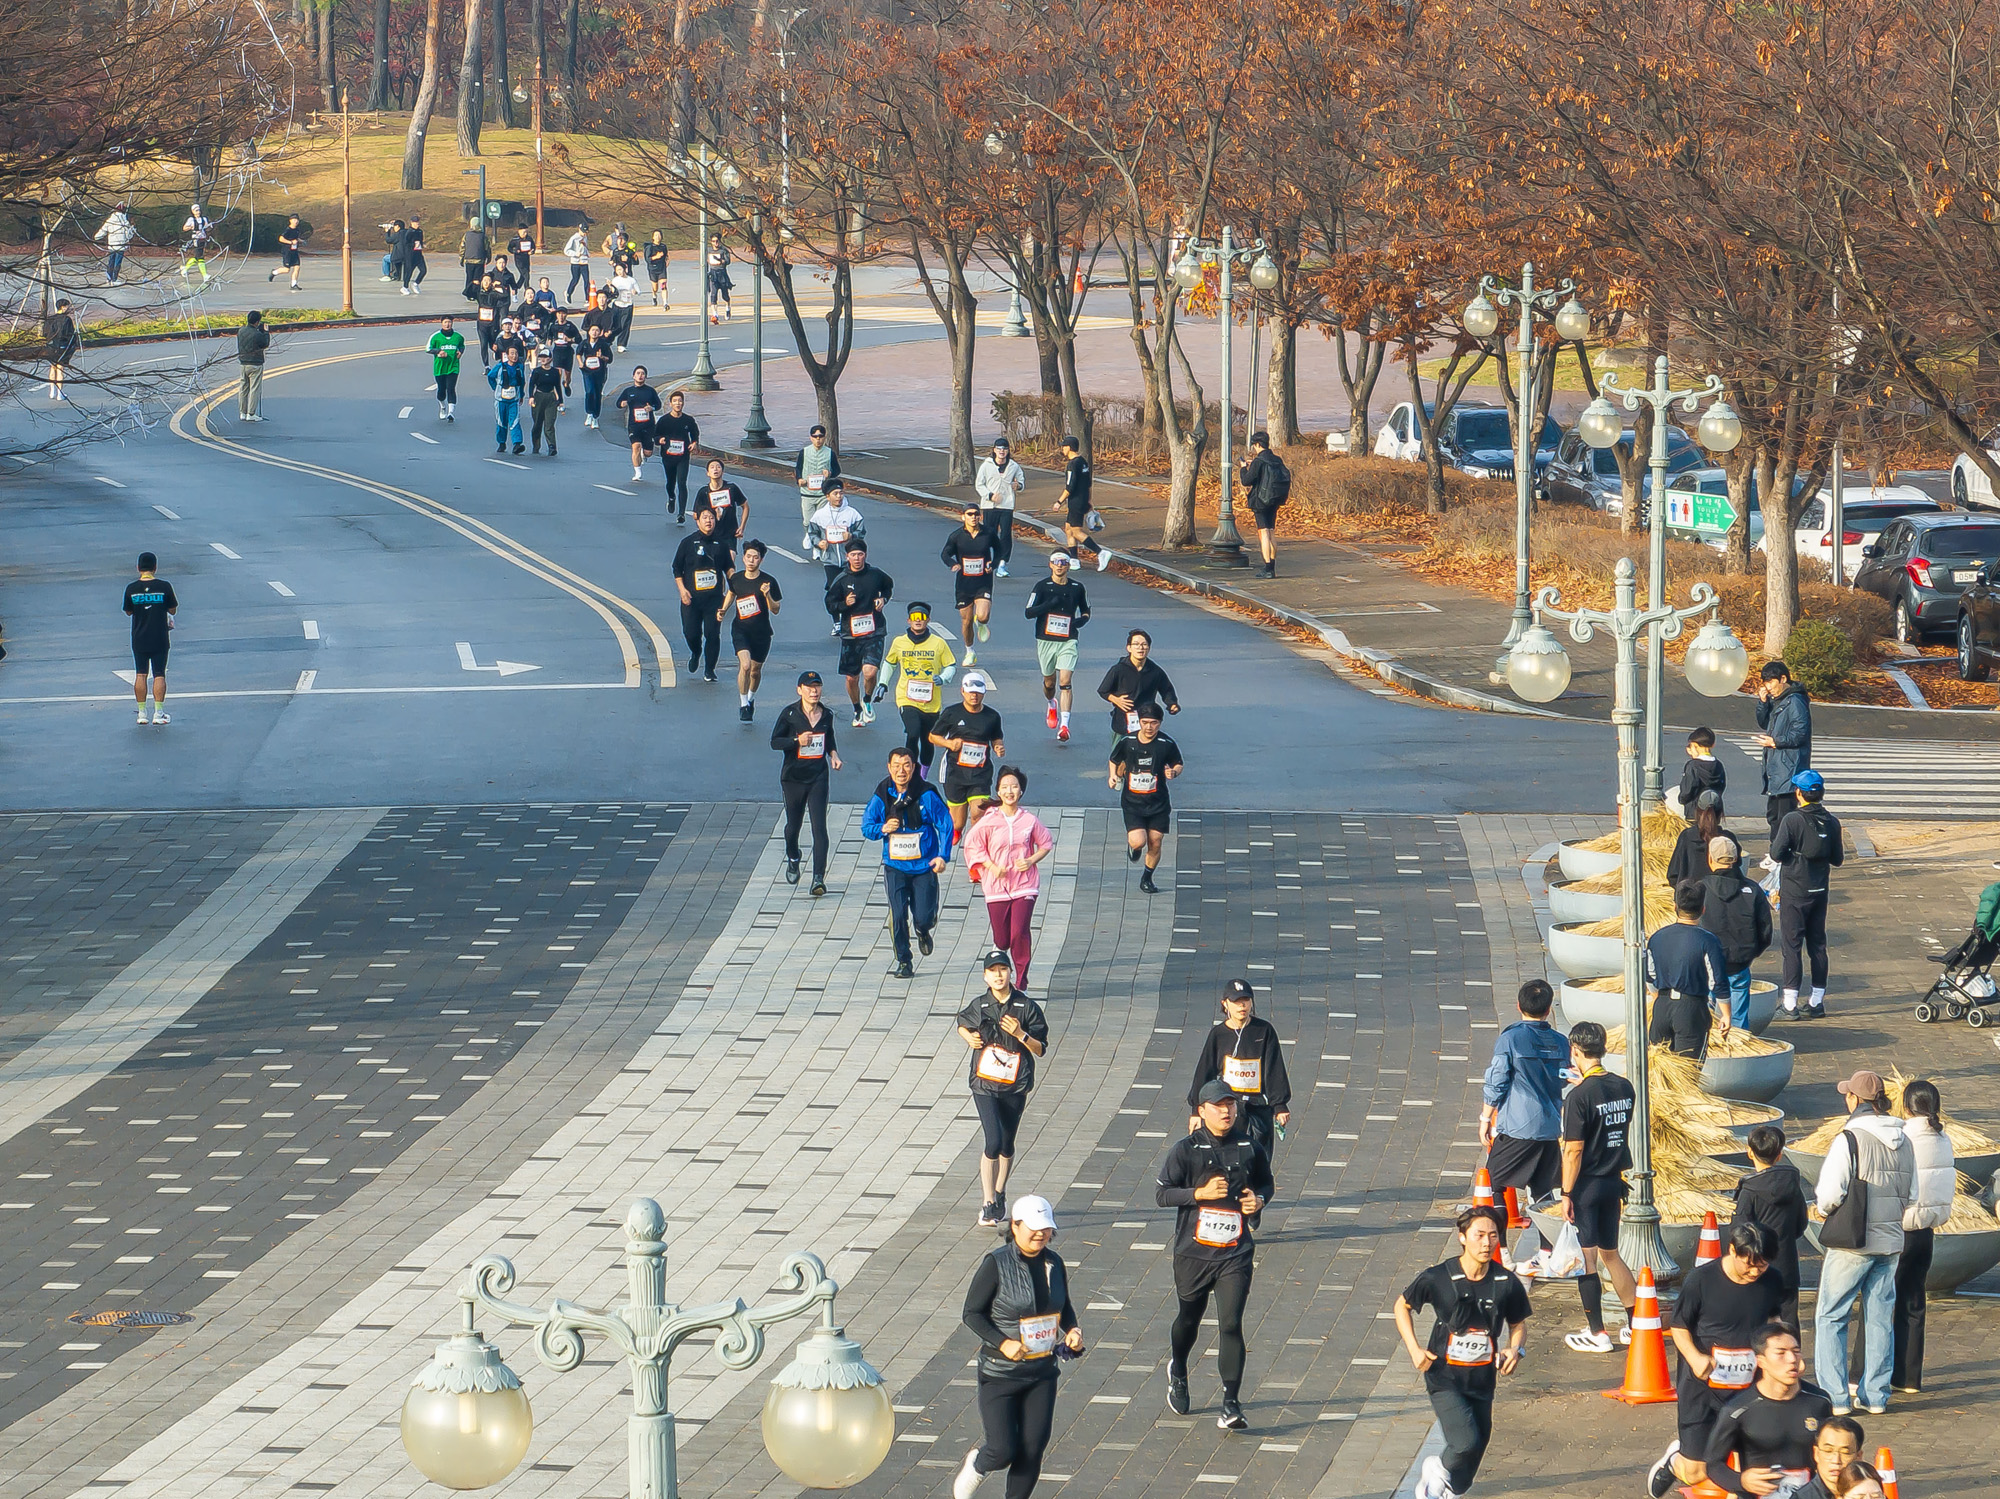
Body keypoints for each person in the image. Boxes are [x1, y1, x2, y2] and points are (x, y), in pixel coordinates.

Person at [1156, 1079, 1274, 1431]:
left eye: (1231, 1105)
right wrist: (1199, 1194)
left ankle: (1231, 1404)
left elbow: (1266, 1183)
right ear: (1202, 1111)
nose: (1226, 1111)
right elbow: (1162, 1195)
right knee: (1188, 1320)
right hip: (1193, 1255)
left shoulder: (1249, 1146)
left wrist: (1259, 1201)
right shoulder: (1185, 1150)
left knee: (1231, 1323)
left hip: (1235, 1253)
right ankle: (1179, 1369)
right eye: (1219, 1106)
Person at [953, 1194, 1084, 1499]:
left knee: (1032, 1449)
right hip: (1000, 1374)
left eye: (1046, 1228)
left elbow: (1062, 1306)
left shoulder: (1054, 1263)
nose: (1041, 1234)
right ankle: (978, 1464)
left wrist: (1072, 1330)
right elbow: (971, 1314)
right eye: (1034, 1228)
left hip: (1042, 1373)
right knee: (1002, 1450)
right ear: (1015, 1226)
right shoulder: (996, 1264)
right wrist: (1003, 1343)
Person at [1395, 1205, 1530, 1499]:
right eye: (1479, 1235)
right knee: (1464, 1441)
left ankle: (1447, 1487)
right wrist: (1414, 1349)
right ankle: (1434, 1473)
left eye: (1493, 1236)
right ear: (1462, 1237)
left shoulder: (1506, 1282)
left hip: (1482, 1380)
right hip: (1444, 1377)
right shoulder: (1439, 1277)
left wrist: (1514, 1349)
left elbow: (1518, 1323)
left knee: (1477, 1447)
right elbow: (1401, 1306)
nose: (1487, 1243)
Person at [1646, 1223, 1786, 1499]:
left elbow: (1773, 1318)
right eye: (1750, 1264)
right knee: (1697, 1472)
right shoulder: (1701, 1280)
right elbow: (1679, 1325)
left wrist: (1778, 1353)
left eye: (1762, 1265)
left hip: (1749, 1387)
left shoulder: (1772, 1280)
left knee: (1755, 1464)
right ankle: (1674, 1461)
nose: (1755, 1272)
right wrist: (1695, 1357)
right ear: (1732, 1250)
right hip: (1702, 1388)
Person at [1812, 1070, 1914, 1416]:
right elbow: (1913, 1194)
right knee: (1880, 1318)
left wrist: (1824, 1210)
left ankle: (1835, 1396)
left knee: (1832, 1316)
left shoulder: (1849, 1139)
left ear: (1855, 1099)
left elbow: (1830, 1194)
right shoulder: (1905, 1140)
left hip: (1852, 1243)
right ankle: (1875, 1396)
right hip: (1891, 1241)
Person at [1559, 1020, 1639, 1354]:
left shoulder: (1578, 1097)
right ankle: (1636, 1324)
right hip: (1613, 1182)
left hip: (1587, 1187)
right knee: (1612, 1254)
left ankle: (1597, 1332)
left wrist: (1566, 1193)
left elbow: (1573, 1151)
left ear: (1575, 1051)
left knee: (1587, 1259)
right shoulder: (1624, 1087)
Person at [958, 951, 1049, 1226]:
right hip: (984, 1083)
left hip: (1015, 1084)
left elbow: (1041, 1049)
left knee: (1007, 1144)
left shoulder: (1026, 1006)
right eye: (992, 971)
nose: (998, 975)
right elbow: (961, 1022)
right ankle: (988, 1203)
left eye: (1003, 969)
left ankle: (999, 1193)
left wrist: (1021, 1034)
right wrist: (969, 1037)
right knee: (993, 1141)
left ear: (1011, 973)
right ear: (985, 976)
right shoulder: (980, 1005)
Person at [1697, 1323, 1836, 1497]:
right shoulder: (1737, 1409)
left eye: (1796, 1351)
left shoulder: (1819, 1401)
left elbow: (1837, 1450)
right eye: (1781, 1353)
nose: (1792, 1359)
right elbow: (1713, 1465)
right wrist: (1741, 1481)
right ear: (1760, 1361)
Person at [1477, 978, 1569, 1218]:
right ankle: (1548, 1240)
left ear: (1518, 1005)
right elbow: (1562, 1079)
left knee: (1494, 1181)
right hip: (1549, 1128)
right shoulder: (1561, 1042)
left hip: (1517, 1127)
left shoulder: (1511, 1039)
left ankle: (1500, 1239)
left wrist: (1485, 1118)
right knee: (1542, 1190)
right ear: (1548, 1009)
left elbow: (1497, 1081)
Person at [862, 749, 955, 978]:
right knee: (897, 914)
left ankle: (923, 930)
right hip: (895, 867)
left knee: (923, 916)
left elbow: (945, 823)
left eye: (906, 765)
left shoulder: (926, 794)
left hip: (924, 867)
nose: (901, 771)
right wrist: (883, 828)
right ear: (889, 767)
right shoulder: (882, 794)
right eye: (896, 765)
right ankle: (904, 960)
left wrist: (943, 856)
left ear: (914, 768)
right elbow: (867, 826)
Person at [961, 767, 1051, 988]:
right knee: (1002, 939)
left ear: (1021, 791)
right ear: (999, 792)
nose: (1010, 791)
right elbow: (972, 845)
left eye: (1014, 787)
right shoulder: (989, 820)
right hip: (996, 887)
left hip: (1025, 884)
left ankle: (1021, 981)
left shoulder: (1029, 820)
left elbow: (1046, 843)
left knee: (1019, 932)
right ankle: (998, 959)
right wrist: (991, 866)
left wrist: (1031, 860)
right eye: (1005, 787)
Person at [1892, 1077, 1954, 1395]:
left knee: (1882, 1301)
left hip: (1899, 1230)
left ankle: (1870, 1374)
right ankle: (1909, 1378)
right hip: (1926, 1231)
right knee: (1914, 1303)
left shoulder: (1902, 1137)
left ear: (1905, 1106)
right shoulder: (1943, 1138)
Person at [1187, 979, 1292, 1159]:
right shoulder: (1218, 1035)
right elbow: (1205, 1071)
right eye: (1236, 1001)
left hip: (1258, 1107)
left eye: (1246, 1000)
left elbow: (1274, 1069)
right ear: (1225, 1004)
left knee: (1260, 1160)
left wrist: (1279, 1105)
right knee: (1227, 1157)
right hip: (1229, 1107)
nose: (1242, 1006)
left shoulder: (1264, 1030)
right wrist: (1197, 1110)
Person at [1771, 769, 1842, 1020]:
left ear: (1798, 793)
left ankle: (1790, 1004)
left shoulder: (1792, 820)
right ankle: (1816, 1001)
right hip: (1819, 890)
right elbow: (1838, 859)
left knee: (1791, 946)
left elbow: (1776, 853)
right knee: (1818, 945)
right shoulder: (1832, 821)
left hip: (1795, 890)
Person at [1733, 1124, 1810, 1333]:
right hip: (1787, 1264)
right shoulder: (1793, 1184)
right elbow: (1801, 1224)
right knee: (1788, 1323)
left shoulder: (1749, 1191)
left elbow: (1740, 1232)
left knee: (1756, 1325)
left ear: (1750, 1152)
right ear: (1780, 1155)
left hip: (1755, 1266)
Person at [770, 669, 841, 895]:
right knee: (793, 826)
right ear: (799, 690)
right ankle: (793, 856)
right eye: (809, 688)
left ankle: (818, 878)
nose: (814, 691)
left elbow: (829, 738)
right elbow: (775, 742)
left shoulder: (826, 714)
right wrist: (796, 740)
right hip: (793, 778)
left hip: (818, 776)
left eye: (817, 687)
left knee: (819, 827)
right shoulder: (789, 714)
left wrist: (833, 755)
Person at [1645, 880, 1730, 1059]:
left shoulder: (1656, 937)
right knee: (1689, 1069)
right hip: (1691, 1009)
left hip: (1662, 1007)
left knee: (1659, 1067)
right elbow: (1718, 981)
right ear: (1703, 909)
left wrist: (1658, 999)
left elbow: (1649, 976)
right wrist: (1726, 1014)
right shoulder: (1708, 940)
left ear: (1675, 907)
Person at [1109, 702, 1182, 895]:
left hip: (1158, 802)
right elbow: (1114, 759)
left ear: (1160, 723)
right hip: (1133, 803)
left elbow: (1178, 763)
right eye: (1145, 722)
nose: (1149, 727)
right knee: (1138, 841)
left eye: (1154, 723)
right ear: (1139, 722)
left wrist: (1173, 772)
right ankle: (1134, 848)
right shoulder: (1128, 741)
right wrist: (1113, 776)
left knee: (1156, 840)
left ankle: (1147, 878)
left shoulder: (1166, 743)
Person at [1703, 838, 1774, 1030]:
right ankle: (1737, 1042)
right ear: (1736, 859)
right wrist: (1749, 953)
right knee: (1738, 1021)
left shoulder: (1700, 889)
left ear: (1710, 858)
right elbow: (1765, 931)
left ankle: (1707, 1044)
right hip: (1740, 962)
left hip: (1707, 964)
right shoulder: (1753, 889)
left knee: (1704, 1019)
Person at [827, 539, 894, 725]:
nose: (857, 558)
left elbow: (888, 586)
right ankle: (857, 709)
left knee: (870, 672)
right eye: (853, 555)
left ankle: (867, 700)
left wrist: (883, 599)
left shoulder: (876, 574)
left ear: (865, 555)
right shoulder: (841, 579)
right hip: (851, 634)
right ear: (847, 556)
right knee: (852, 678)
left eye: (860, 554)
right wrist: (844, 604)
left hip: (874, 631)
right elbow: (830, 605)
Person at [1025, 553, 1090, 740]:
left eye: (1063, 563)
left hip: (1068, 640)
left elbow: (1086, 611)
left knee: (1065, 681)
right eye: (1056, 562)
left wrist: (1080, 621)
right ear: (1050, 565)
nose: (1059, 566)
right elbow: (1028, 612)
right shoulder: (1041, 586)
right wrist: (1048, 605)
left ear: (1068, 566)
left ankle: (1064, 726)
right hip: (1046, 640)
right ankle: (1051, 703)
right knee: (1049, 683)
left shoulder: (1078, 588)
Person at [932, 671, 1005, 834]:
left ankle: (976, 843)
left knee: (978, 813)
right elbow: (933, 736)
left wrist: (998, 747)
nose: (974, 696)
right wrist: (949, 743)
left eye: (978, 693)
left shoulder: (992, 716)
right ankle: (955, 832)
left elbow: (996, 738)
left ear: (983, 693)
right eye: (971, 692)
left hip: (980, 773)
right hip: (955, 772)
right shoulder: (952, 713)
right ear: (962, 691)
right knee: (957, 823)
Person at [884, 602, 953, 774]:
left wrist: (943, 678)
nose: (918, 620)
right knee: (913, 732)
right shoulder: (899, 642)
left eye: (922, 617)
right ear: (908, 620)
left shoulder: (938, 643)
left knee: (927, 738)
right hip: (906, 698)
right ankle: (911, 772)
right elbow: (890, 663)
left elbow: (950, 665)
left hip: (931, 701)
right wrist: (882, 683)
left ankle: (923, 775)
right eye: (914, 617)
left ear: (928, 620)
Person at [672, 505, 734, 680]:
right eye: (705, 518)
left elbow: (729, 568)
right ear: (698, 521)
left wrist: (736, 585)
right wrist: (682, 590)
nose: (709, 521)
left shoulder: (721, 544)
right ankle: (696, 651)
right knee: (690, 632)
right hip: (691, 599)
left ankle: (710, 670)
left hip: (714, 599)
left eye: (712, 518)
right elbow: (676, 568)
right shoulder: (687, 543)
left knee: (712, 634)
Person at [1755, 661, 1812, 844]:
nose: (1768, 687)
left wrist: (1775, 742)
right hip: (1777, 768)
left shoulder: (1795, 701)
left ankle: (1782, 853)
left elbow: (1800, 733)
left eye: (1771, 682)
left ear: (1783, 679)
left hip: (1789, 767)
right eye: (1765, 683)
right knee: (1774, 815)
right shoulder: (1778, 700)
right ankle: (1776, 851)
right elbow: (1765, 723)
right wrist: (1763, 703)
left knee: (1784, 816)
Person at [723, 540, 781, 721]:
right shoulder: (737, 579)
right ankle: (743, 705)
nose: (751, 560)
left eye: (755, 558)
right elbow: (731, 593)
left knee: (755, 671)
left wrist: (767, 595)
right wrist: (723, 610)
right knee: (745, 666)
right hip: (740, 630)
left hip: (762, 633)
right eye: (748, 557)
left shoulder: (769, 581)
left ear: (761, 560)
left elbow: (776, 609)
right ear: (743, 558)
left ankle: (750, 698)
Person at [1097, 629, 1180, 747]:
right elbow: (1103, 690)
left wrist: (1172, 704)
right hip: (1123, 719)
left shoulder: (1155, 671)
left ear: (1149, 648)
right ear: (1129, 648)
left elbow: (1166, 689)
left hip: (1146, 718)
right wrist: (1116, 700)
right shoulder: (1119, 669)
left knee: (1146, 752)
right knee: (1119, 754)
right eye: (1136, 644)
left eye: (1144, 644)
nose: (1140, 648)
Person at [123, 552, 178, 727]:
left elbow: (128, 611)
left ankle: (141, 713)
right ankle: (158, 713)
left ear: (138, 568)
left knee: (141, 673)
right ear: (155, 567)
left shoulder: (131, 589)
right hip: (159, 637)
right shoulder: (164, 586)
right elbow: (173, 609)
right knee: (159, 674)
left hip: (139, 637)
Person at [944, 504, 1003, 665]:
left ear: (980, 516)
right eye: (970, 514)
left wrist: (993, 564)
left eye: (976, 514)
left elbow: (999, 551)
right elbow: (945, 553)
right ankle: (969, 651)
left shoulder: (988, 533)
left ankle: (981, 622)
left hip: (983, 581)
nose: (973, 517)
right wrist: (953, 564)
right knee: (966, 621)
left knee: (983, 615)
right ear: (963, 517)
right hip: (964, 584)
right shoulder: (957, 536)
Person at [1052, 435, 1110, 570]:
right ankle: (1074, 559)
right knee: (1068, 528)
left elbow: (1070, 486)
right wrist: (1089, 501)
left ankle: (1101, 552)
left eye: (1064, 446)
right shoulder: (1083, 462)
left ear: (1069, 447)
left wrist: (1059, 502)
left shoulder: (1072, 465)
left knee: (1076, 531)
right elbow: (1088, 484)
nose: (1062, 449)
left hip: (1076, 501)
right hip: (1083, 499)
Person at [1237, 432, 1290, 577]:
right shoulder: (1277, 460)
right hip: (1275, 499)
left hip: (1260, 500)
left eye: (1254, 445)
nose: (1254, 448)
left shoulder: (1259, 461)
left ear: (1257, 444)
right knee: (1271, 531)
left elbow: (1246, 481)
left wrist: (1243, 468)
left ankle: (1267, 568)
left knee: (1264, 532)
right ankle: (1272, 566)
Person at [1667, 791, 1741, 888]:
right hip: (1721, 894)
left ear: (1697, 812)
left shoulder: (1686, 837)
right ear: (1720, 814)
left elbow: (1673, 874)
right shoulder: (1728, 840)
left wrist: (1683, 892)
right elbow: (1736, 871)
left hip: (1690, 895)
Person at [976, 438, 1026, 576]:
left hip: (1006, 505)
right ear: (994, 450)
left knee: (1005, 535)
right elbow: (979, 484)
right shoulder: (986, 465)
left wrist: (1018, 485)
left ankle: (1002, 564)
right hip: (989, 506)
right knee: (990, 534)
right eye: (999, 449)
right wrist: (990, 495)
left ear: (1008, 451)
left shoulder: (1014, 466)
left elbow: (1021, 481)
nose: (1002, 451)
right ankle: (988, 562)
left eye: (1004, 449)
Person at [1790, 1415, 1867, 1499]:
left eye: (1845, 1453)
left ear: (1858, 1456)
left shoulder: (1870, 1493)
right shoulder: (1801, 1497)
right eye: (1828, 1451)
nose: (1836, 1461)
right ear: (1816, 1453)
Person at [807, 479, 867, 583]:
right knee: (833, 586)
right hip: (829, 559)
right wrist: (819, 542)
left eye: (841, 493)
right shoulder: (820, 515)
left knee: (849, 586)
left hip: (849, 560)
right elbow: (812, 533)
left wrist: (851, 536)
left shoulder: (852, 514)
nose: (839, 496)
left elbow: (861, 532)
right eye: (835, 494)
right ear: (828, 496)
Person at [657, 390, 700, 521]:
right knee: (671, 483)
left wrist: (694, 443)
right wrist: (660, 440)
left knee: (682, 482)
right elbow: (655, 435)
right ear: (670, 404)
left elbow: (695, 434)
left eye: (680, 401)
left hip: (683, 456)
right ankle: (671, 497)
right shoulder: (664, 420)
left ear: (683, 403)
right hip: (668, 456)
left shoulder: (688, 420)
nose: (678, 403)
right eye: (675, 401)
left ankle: (681, 513)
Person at [615, 365, 662, 482]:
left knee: (648, 453)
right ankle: (637, 471)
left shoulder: (650, 391)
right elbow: (618, 403)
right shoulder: (628, 391)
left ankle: (644, 455)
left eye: (642, 373)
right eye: (638, 373)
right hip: (634, 425)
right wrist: (623, 404)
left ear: (645, 376)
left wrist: (651, 408)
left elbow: (658, 405)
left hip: (648, 425)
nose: (640, 376)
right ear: (633, 376)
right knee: (635, 446)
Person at [796, 425, 842, 540]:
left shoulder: (830, 453)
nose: (818, 440)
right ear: (811, 438)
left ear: (824, 437)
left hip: (823, 494)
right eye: (815, 437)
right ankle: (810, 535)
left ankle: (819, 542)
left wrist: (830, 473)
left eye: (820, 437)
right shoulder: (804, 452)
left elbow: (837, 470)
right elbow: (798, 468)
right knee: (808, 521)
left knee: (821, 520)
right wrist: (799, 479)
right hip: (807, 493)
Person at [487, 345, 527, 454]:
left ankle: (517, 444)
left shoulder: (520, 367)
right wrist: (496, 388)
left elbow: (522, 382)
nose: (514, 356)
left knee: (515, 421)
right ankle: (501, 443)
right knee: (501, 421)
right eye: (512, 353)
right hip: (501, 400)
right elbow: (490, 376)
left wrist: (522, 395)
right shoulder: (500, 367)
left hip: (514, 400)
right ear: (507, 355)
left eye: (516, 353)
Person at [700, 457, 751, 541]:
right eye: (712, 467)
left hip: (730, 533)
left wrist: (742, 527)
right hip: (711, 533)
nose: (715, 469)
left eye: (718, 467)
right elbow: (696, 515)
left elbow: (745, 506)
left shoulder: (731, 488)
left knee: (730, 550)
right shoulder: (704, 492)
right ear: (708, 473)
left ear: (723, 472)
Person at [1679, 725, 1726, 817]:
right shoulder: (1719, 765)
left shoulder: (1693, 766)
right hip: (1714, 812)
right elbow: (1722, 787)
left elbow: (1687, 791)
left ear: (1695, 745)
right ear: (1713, 744)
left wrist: (1681, 800)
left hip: (1694, 812)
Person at [527, 348, 563, 457]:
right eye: (541, 357)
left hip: (550, 398)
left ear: (550, 359)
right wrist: (531, 396)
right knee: (537, 424)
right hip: (539, 397)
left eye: (545, 357)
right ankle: (536, 445)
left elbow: (557, 386)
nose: (543, 359)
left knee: (549, 424)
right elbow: (531, 384)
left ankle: (552, 446)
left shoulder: (555, 372)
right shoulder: (537, 371)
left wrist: (560, 401)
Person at [236, 310, 270, 422]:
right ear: (257, 322)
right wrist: (265, 332)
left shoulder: (241, 331)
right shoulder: (257, 334)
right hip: (255, 364)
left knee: (243, 388)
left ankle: (242, 412)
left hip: (243, 363)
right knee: (254, 388)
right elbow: (265, 344)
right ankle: (251, 413)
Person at [578, 326, 614, 429]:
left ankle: (595, 417)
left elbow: (610, 359)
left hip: (599, 372)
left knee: (597, 394)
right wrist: (580, 363)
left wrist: (602, 357)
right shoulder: (584, 343)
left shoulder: (603, 344)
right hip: (587, 371)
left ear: (600, 332)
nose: (594, 332)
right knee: (589, 391)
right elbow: (578, 353)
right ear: (589, 332)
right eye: (592, 330)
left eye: (597, 330)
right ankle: (589, 413)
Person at [44, 299, 79, 403]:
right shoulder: (67, 320)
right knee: (60, 369)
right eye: (67, 306)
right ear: (63, 307)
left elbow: (45, 333)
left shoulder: (49, 319)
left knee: (52, 367)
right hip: (62, 347)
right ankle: (59, 393)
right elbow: (70, 334)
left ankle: (52, 391)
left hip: (51, 347)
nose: (68, 308)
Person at [94, 204, 135, 285]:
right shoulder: (124, 221)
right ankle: (114, 279)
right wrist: (132, 229)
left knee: (111, 261)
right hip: (121, 245)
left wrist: (96, 237)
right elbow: (128, 236)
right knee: (117, 263)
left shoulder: (110, 220)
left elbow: (103, 230)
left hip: (112, 245)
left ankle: (108, 278)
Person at [474, 274, 510, 366]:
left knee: (494, 345)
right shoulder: (479, 293)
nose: (486, 282)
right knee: (483, 344)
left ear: (491, 282)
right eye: (484, 280)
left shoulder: (494, 294)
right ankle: (486, 366)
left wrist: (498, 286)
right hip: (482, 325)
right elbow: (466, 292)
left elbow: (505, 295)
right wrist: (472, 283)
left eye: (488, 280)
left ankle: (502, 358)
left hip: (493, 325)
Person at [268, 215, 306, 291]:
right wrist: (291, 242)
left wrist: (302, 241)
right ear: (290, 221)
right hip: (287, 251)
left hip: (294, 251)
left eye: (297, 220)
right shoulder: (287, 230)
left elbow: (296, 238)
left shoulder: (297, 230)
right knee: (286, 269)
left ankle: (293, 284)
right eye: (294, 220)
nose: (296, 221)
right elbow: (281, 239)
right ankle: (274, 272)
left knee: (297, 267)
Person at [608, 263, 638, 351]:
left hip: (628, 305)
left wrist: (635, 291)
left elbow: (638, 291)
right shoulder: (615, 280)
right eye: (617, 270)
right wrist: (610, 287)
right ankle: (609, 340)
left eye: (620, 269)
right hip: (617, 304)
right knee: (614, 324)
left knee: (625, 325)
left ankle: (622, 344)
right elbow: (612, 292)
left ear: (625, 269)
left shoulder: (631, 280)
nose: (619, 272)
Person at [180, 203, 213, 281]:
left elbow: (207, 228)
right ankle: (204, 275)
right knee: (200, 257)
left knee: (197, 257)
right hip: (196, 239)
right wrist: (191, 227)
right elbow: (184, 228)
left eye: (199, 210)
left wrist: (209, 226)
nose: (198, 212)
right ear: (193, 211)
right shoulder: (191, 219)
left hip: (202, 239)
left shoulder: (204, 219)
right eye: (196, 210)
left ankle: (185, 269)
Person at [459, 219, 490, 298]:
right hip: (480, 260)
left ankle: (468, 294)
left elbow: (462, 247)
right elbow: (487, 248)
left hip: (468, 260)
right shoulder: (483, 236)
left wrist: (461, 258)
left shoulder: (466, 235)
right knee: (478, 279)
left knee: (469, 278)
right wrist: (488, 257)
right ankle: (476, 294)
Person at [707, 235, 734, 322]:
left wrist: (722, 261)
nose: (715, 243)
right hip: (713, 274)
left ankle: (727, 308)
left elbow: (728, 261)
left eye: (717, 241)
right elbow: (705, 261)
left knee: (725, 294)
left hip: (722, 273)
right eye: (713, 241)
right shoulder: (708, 250)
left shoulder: (724, 250)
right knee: (713, 294)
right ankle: (715, 314)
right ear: (711, 242)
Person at [397, 215, 427, 293]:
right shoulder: (409, 232)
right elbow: (406, 244)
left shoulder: (420, 231)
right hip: (410, 255)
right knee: (409, 271)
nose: (417, 224)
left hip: (418, 254)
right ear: (411, 223)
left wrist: (422, 244)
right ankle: (405, 287)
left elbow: (420, 241)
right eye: (415, 222)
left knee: (423, 270)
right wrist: (413, 244)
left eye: (418, 222)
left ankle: (416, 283)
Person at [563, 226, 592, 303]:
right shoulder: (574, 238)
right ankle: (568, 293)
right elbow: (566, 250)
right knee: (575, 279)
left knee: (586, 280)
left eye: (586, 232)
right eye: (583, 232)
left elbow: (585, 247)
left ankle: (587, 299)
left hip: (584, 262)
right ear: (579, 229)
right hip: (575, 262)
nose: (584, 234)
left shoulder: (585, 237)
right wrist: (575, 254)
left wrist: (587, 253)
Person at [644, 230, 670, 306]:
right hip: (653, 269)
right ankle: (654, 295)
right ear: (653, 237)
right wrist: (656, 257)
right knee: (655, 287)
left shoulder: (663, 246)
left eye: (659, 235)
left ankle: (665, 303)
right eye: (656, 235)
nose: (657, 237)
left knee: (664, 285)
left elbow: (666, 255)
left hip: (662, 268)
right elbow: (647, 259)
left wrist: (667, 260)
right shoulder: (649, 247)